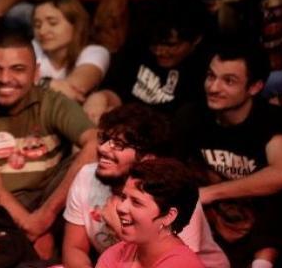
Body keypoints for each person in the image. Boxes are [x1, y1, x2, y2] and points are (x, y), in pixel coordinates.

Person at [0, 27, 99, 259]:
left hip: (51, 207)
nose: (5, 79)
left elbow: (95, 141)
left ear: (36, 73)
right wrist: (32, 227)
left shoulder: (53, 103)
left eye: (17, 69)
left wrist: (43, 220)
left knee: (93, 158)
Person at [63, 104, 228, 268]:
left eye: (118, 144)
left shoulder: (173, 196)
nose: (103, 148)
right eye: (104, 139)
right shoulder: (87, 176)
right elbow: (74, 248)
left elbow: (168, 255)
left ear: (148, 159)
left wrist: (120, 228)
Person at [173, 42, 282, 268]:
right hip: (208, 225)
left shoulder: (271, 120)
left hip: (260, 229)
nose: (214, 87)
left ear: (255, 87)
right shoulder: (191, 116)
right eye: (211, 76)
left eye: (229, 81)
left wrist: (211, 193)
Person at [83, 2, 208, 123]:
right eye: (155, 44)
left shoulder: (202, 71)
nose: (159, 51)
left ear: (196, 39)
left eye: (170, 45)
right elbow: (116, 88)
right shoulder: (138, 45)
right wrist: (102, 98)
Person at [96, 158, 205, 268]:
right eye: (123, 197)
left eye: (136, 202)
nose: (120, 207)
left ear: (169, 216)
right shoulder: (117, 253)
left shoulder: (183, 265)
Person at [32, 0, 110, 103]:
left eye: (52, 23)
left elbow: (75, 88)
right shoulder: (32, 47)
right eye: (37, 25)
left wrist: (41, 83)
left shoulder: (96, 52)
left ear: (76, 24)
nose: (42, 31)